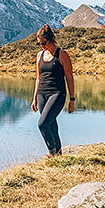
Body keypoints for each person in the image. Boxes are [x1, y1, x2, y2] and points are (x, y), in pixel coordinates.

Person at [30, 24, 75, 157]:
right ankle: (59, 154)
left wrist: (72, 99)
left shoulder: (62, 54)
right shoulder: (39, 55)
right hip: (42, 95)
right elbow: (38, 78)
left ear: (50, 40)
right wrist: (34, 98)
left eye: (43, 43)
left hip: (57, 93)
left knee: (42, 124)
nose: (42, 46)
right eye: (39, 44)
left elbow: (69, 77)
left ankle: (52, 154)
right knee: (51, 125)